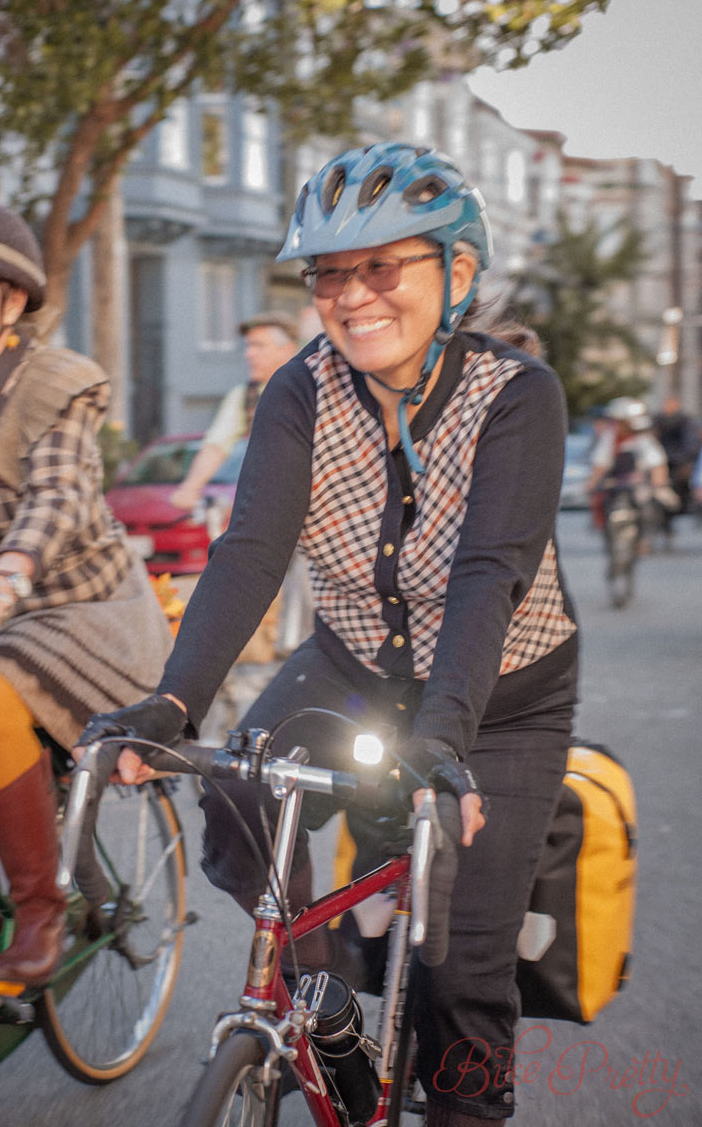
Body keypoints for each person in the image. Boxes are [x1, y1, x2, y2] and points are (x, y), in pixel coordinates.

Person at [79, 143, 579, 1125]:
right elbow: (252, 548)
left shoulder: (516, 396)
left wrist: (442, 739)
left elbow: (488, 576)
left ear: (457, 273)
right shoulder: (299, 391)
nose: (350, 296)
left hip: (501, 704)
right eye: (327, 274)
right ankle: (324, 992)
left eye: (380, 266)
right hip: (348, 667)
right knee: (230, 794)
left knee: (459, 978)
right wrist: (171, 702)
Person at [0, 201, 172, 992]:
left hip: (79, 606)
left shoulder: (59, 383)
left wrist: (5, 578)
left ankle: (40, 913)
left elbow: (53, 499)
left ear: (12, 301)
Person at [169, 311, 300, 510]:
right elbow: (216, 445)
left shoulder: (310, 386)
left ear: (287, 350)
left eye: (259, 346)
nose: (249, 353)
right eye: (248, 346)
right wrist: (190, 488)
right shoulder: (244, 396)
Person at [587, 397, 677, 540]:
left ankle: (645, 538)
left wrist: (658, 483)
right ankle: (606, 532)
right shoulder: (610, 438)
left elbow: (657, 463)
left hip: (639, 483)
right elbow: (600, 464)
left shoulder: (643, 439)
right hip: (616, 483)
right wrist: (593, 483)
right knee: (600, 502)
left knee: (649, 505)